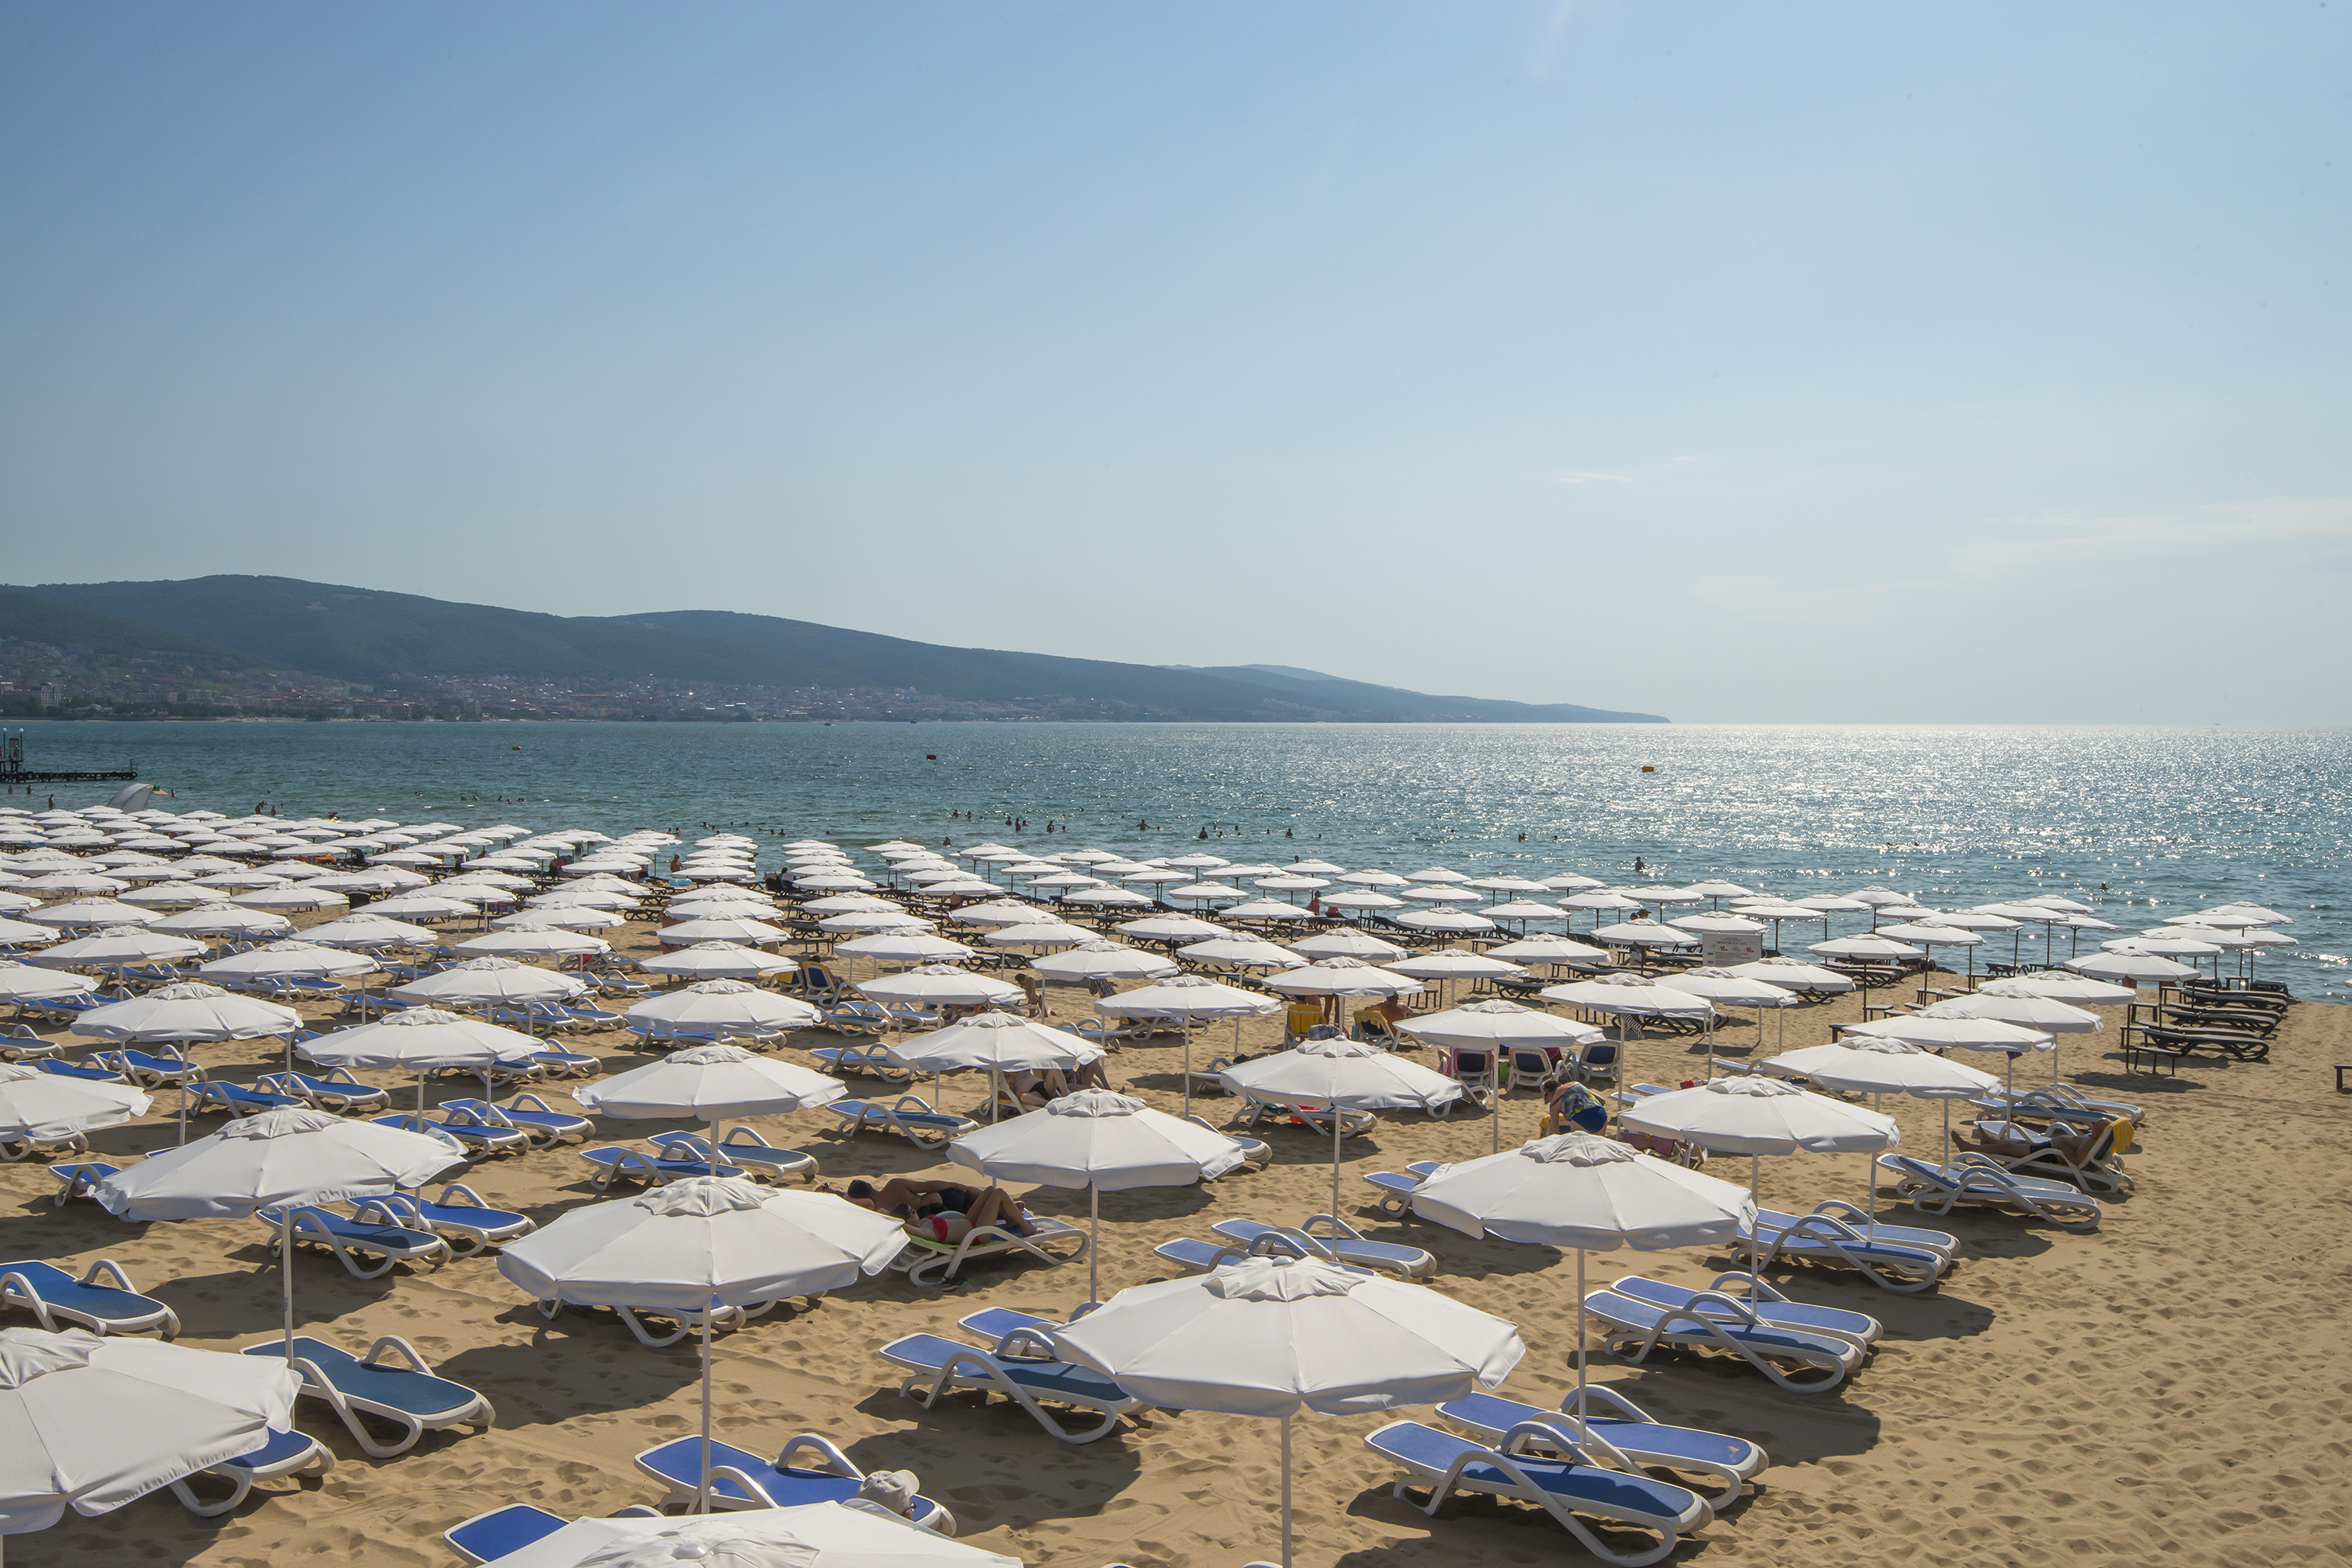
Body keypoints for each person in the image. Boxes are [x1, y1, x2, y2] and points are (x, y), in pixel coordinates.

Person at [836, 1178, 1035, 1238]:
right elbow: (928, 1186)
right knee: (983, 1193)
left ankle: (1007, 1213)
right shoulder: (894, 1186)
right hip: (960, 1219)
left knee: (989, 1193)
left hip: (954, 1217)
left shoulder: (879, 1211)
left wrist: (837, 1193)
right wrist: (954, 1184)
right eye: (911, 1213)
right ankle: (1016, 1218)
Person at [1543, 1077, 1609, 1136]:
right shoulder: (1576, 1084)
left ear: (1549, 1094)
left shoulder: (1554, 1103)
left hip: (1581, 1118)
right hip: (1601, 1115)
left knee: (1578, 1145)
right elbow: (1602, 1101)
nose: (1550, 1102)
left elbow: (1555, 1132)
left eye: (1547, 1100)